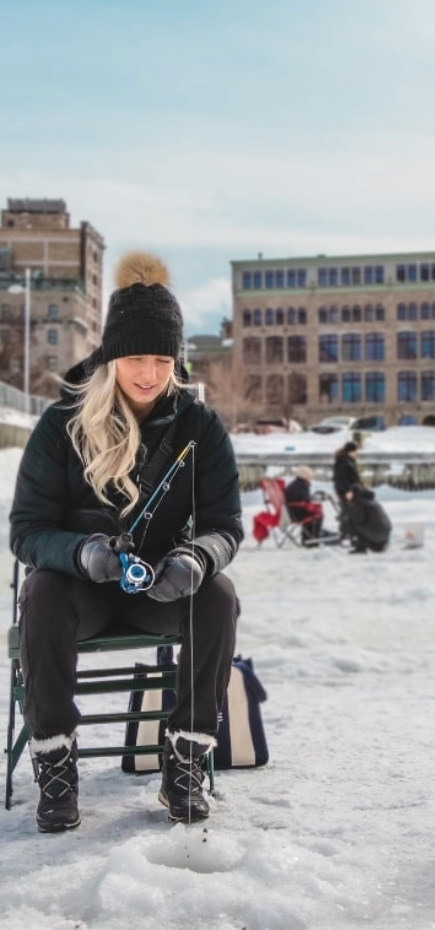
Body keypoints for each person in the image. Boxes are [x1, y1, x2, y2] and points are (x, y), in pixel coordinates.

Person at [10, 252, 243, 832]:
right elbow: (27, 530)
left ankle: (185, 761)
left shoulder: (200, 427)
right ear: (111, 357)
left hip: (157, 588)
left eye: (163, 359)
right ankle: (56, 767)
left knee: (218, 595)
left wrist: (196, 558)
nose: (149, 372)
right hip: (79, 592)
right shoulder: (62, 424)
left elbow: (226, 524)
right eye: (136, 357)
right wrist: (82, 553)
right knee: (40, 593)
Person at [284, 466, 325, 546]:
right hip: (297, 514)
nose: (311, 479)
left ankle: (307, 538)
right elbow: (306, 500)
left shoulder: (294, 484)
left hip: (291, 512)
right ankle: (312, 540)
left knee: (311, 514)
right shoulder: (302, 486)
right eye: (310, 477)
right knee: (318, 516)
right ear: (306, 476)